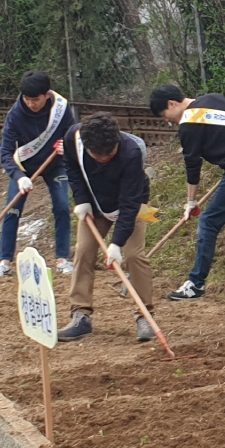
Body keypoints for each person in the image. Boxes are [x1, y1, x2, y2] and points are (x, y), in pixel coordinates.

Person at [149, 84, 225, 302]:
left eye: (164, 115)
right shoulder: (215, 98)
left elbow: (192, 165)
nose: (167, 120)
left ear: (172, 104)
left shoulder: (188, 124)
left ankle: (195, 284)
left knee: (208, 221)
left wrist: (191, 201)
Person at [54, 112, 155, 344]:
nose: (102, 159)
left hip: (129, 204)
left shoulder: (131, 153)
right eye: (96, 155)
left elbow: (130, 204)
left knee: (133, 254)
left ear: (117, 142)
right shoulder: (73, 138)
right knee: (83, 251)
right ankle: (80, 315)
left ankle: (144, 316)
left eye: (108, 154)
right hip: (95, 205)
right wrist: (81, 200)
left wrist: (117, 243)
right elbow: (71, 167)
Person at [0, 71, 76, 278]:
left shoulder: (61, 109)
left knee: (62, 206)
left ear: (46, 95)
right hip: (24, 166)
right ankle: (4, 261)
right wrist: (19, 176)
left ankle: (63, 258)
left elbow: (73, 134)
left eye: (35, 100)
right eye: (27, 99)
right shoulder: (15, 115)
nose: (31, 104)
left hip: (55, 164)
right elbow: (5, 151)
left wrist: (67, 145)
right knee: (12, 209)